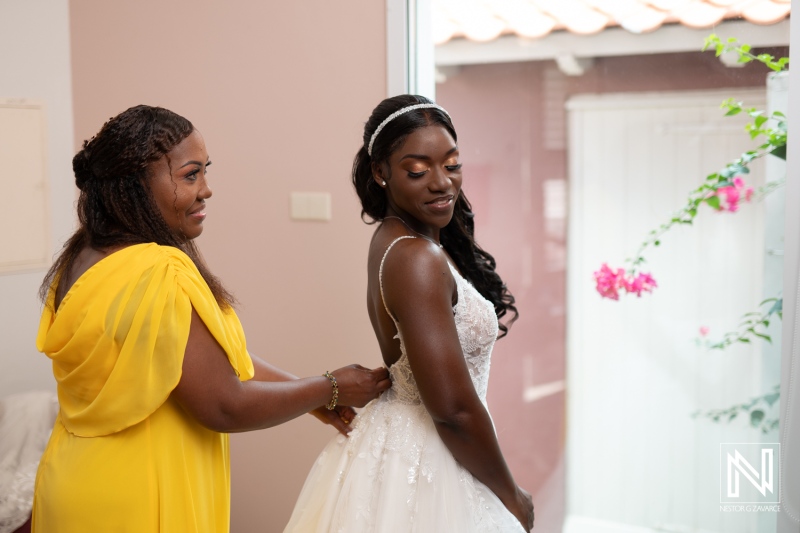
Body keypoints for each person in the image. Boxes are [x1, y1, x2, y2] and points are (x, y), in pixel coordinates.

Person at [33, 105, 391, 533]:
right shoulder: (159, 270)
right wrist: (330, 387)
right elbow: (223, 404)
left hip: (73, 485)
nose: (206, 190)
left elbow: (207, 358)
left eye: (205, 172)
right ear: (136, 185)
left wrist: (310, 394)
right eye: (190, 175)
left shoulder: (83, 254)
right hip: (140, 496)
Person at [283, 95, 535, 532]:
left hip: (410, 449)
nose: (442, 183)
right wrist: (511, 495)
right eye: (418, 170)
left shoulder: (399, 238)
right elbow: (453, 410)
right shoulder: (415, 257)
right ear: (381, 172)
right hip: (426, 459)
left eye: (452, 165)